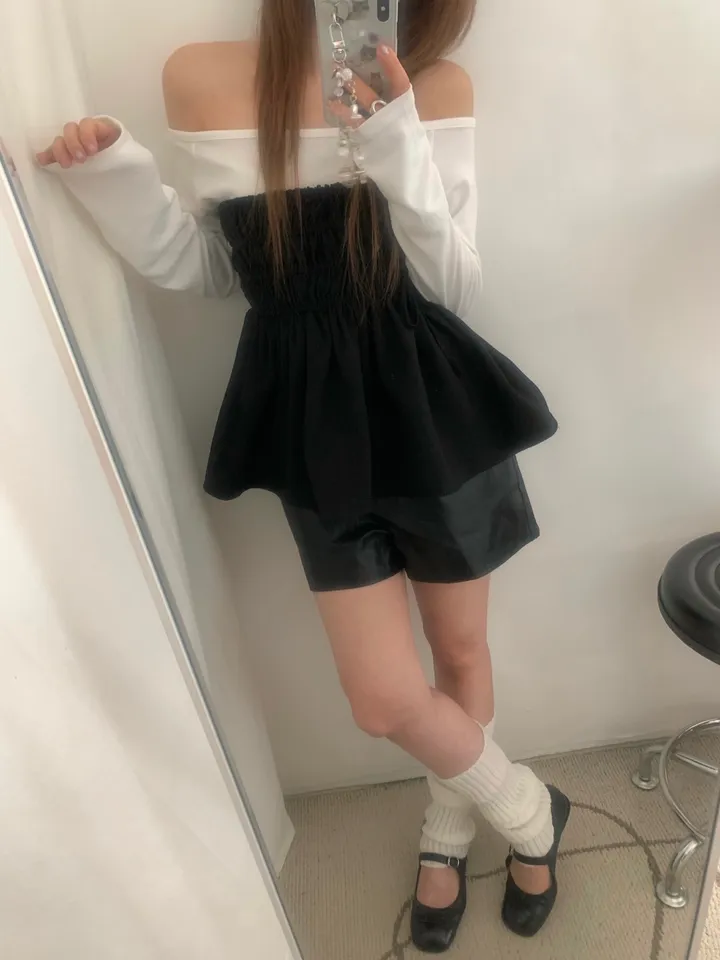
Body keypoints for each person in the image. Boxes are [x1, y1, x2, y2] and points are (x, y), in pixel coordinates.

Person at [38, 0, 570, 951]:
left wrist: (395, 131)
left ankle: (448, 831)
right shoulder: (201, 77)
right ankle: (531, 809)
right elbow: (215, 270)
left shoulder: (435, 83)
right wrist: (114, 173)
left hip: (434, 411)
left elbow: (451, 287)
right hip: (313, 430)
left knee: (459, 652)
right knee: (382, 697)